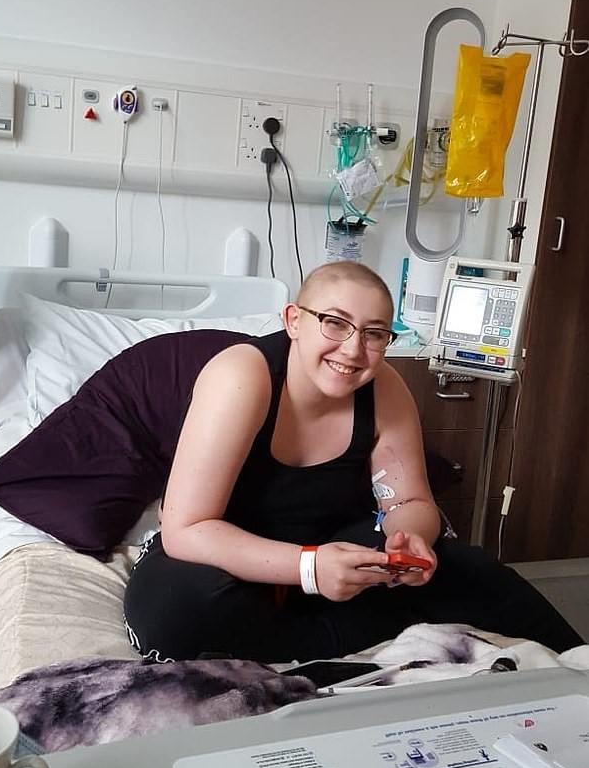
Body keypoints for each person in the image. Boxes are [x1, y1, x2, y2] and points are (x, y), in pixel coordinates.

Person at [123, 260, 582, 663]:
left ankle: (578, 667)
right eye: (335, 323)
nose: (353, 349)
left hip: (334, 553)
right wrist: (308, 568)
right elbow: (186, 529)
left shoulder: (385, 389)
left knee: (473, 571)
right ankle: (342, 638)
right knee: (177, 614)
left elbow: (410, 501)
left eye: (374, 333)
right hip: (224, 559)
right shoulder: (240, 376)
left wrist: (410, 539)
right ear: (294, 320)